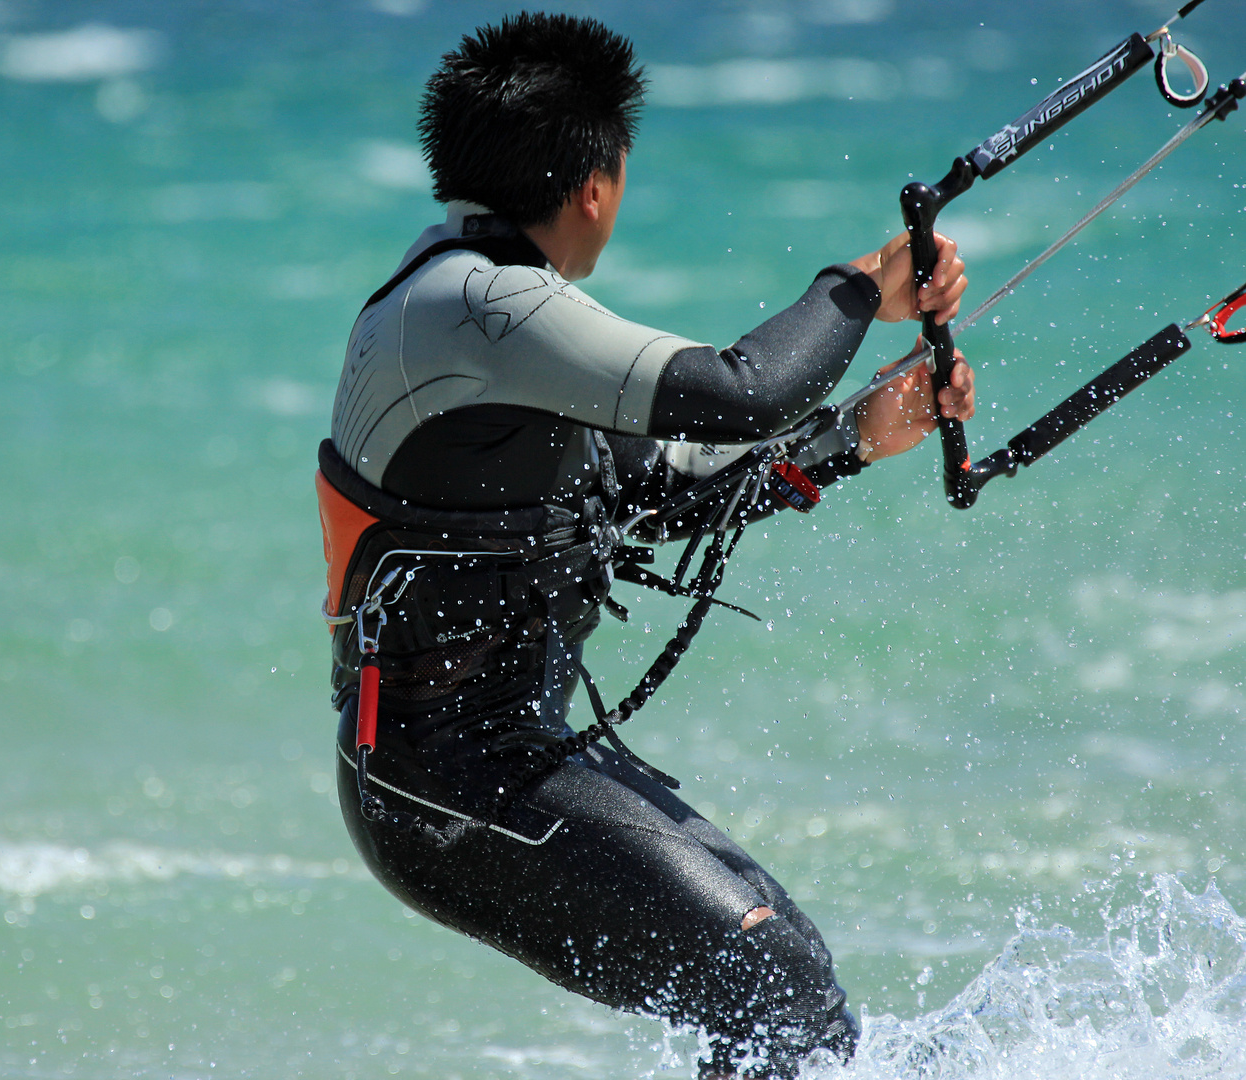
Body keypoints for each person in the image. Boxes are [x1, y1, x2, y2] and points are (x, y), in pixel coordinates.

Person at [316, 13, 973, 1078]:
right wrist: (861, 285)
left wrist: (857, 436)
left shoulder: (474, 301)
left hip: (501, 763)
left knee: (781, 973)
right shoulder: (474, 310)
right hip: (445, 788)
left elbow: (658, 498)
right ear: (595, 184)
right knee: (774, 988)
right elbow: (737, 391)